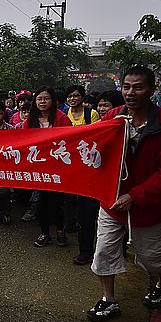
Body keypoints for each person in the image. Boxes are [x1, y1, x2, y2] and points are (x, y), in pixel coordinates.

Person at [86, 65, 161, 322]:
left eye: (138, 87)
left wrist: (136, 196)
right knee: (103, 251)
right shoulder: (113, 117)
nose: (131, 92)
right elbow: (94, 151)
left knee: (154, 257)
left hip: (149, 207)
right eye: (126, 87)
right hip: (112, 202)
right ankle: (108, 299)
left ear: (152, 90)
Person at [23, 86, 73, 247]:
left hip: (57, 167)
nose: (43, 102)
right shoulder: (29, 120)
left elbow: (70, 140)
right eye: (39, 99)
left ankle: (60, 230)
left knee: (57, 201)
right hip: (38, 168)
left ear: (53, 100)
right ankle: (44, 233)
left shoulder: (62, 118)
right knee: (41, 202)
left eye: (46, 98)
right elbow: (22, 143)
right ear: (35, 102)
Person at [64, 85, 102, 265]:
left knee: (88, 212)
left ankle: (87, 250)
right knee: (75, 209)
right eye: (69, 96)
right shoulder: (63, 116)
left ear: (82, 97)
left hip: (88, 169)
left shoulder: (91, 114)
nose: (72, 99)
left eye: (76, 95)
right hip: (70, 169)